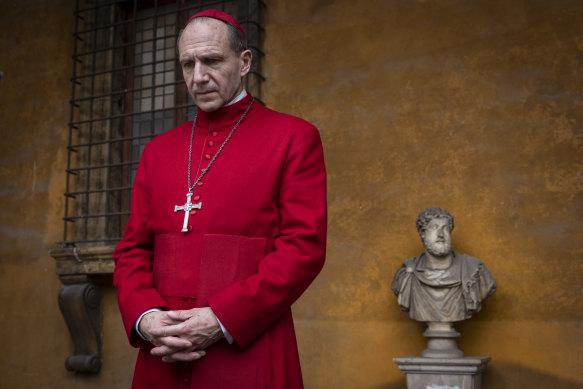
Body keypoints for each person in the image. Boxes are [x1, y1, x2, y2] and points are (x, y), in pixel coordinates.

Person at [113, 9, 327, 389]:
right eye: (187, 64)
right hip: (162, 353)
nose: (198, 77)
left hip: (248, 345)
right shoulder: (157, 152)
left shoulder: (293, 137)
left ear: (244, 62)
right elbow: (132, 250)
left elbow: (302, 248)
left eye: (211, 61)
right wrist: (146, 318)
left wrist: (221, 319)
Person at [391, 207, 495, 323]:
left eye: (445, 229)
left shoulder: (475, 271)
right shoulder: (406, 274)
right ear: (422, 233)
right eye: (434, 228)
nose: (441, 235)